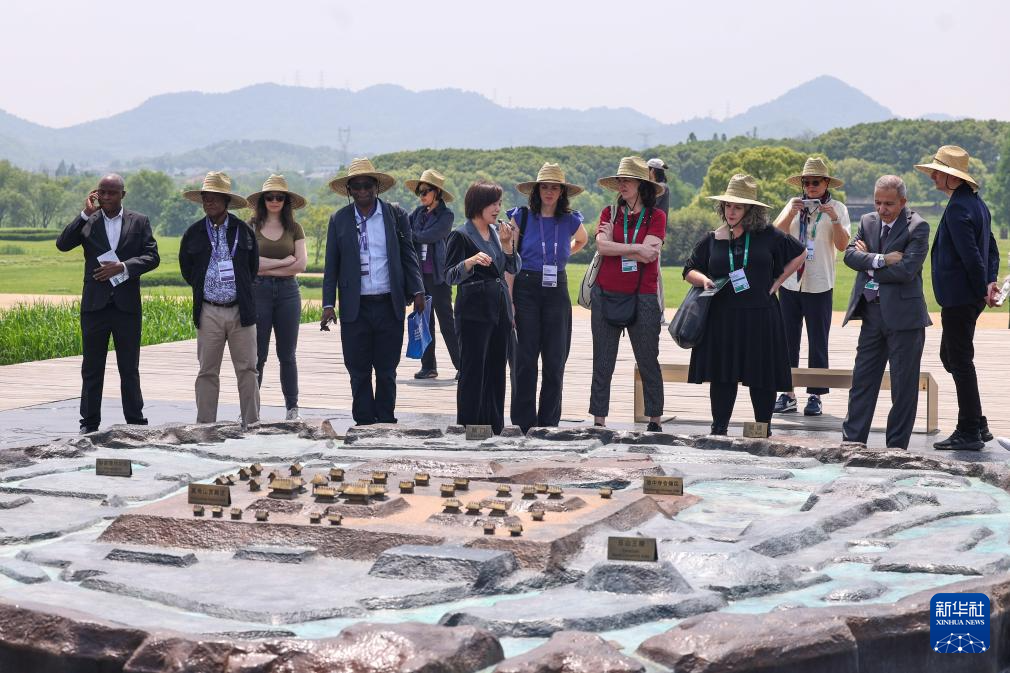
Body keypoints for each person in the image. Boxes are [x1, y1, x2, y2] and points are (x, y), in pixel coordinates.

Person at [683, 174, 805, 435]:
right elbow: (689, 270)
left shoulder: (768, 235)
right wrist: (704, 280)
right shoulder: (713, 238)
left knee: (762, 377)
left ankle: (762, 430)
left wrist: (779, 281)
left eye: (737, 207)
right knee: (722, 376)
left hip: (761, 316)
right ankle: (719, 430)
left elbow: (800, 252)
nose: (731, 211)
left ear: (750, 210)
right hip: (722, 317)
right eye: (727, 205)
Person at [320, 158, 425, 426]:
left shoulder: (395, 215)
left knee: (387, 370)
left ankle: (386, 421)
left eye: (367, 185)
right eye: (356, 186)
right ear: (349, 190)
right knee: (358, 370)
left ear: (377, 187)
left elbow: (409, 255)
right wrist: (328, 304)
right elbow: (331, 266)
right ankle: (364, 422)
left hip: (389, 303)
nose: (362, 190)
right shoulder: (339, 220)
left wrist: (417, 290)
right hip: (355, 307)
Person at [56, 174, 160, 433]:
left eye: (111, 193)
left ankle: (135, 421)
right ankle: (89, 423)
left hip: (126, 307)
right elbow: (63, 244)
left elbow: (152, 256)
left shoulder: (139, 221)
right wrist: (84, 214)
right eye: (101, 192)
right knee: (92, 367)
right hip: (95, 306)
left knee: (129, 367)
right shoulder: (88, 222)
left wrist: (122, 267)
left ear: (123, 195)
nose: (105, 197)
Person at [916, 146, 1001, 450]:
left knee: (960, 361)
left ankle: (969, 431)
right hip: (967, 296)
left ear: (953, 177)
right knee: (951, 357)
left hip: (960, 297)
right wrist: (989, 282)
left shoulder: (957, 209)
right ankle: (977, 421)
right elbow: (991, 249)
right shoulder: (976, 204)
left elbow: (972, 256)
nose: (933, 177)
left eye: (937, 172)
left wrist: (983, 287)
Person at [840, 176, 930, 449]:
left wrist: (867, 265)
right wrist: (882, 259)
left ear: (903, 202)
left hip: (905, 320)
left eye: (889, 204)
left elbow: (906, 271)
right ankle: (852, 442)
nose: (882, 209)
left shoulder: (918, 226)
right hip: (871, 315)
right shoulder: (867, 221)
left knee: (903, 388)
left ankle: (896, 448)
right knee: (862, 381)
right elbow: (849, 256)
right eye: (877, 202)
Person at [507, 163, 588, 432]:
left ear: (562, 191)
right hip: (526, 286)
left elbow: (583, 240)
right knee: (525, 359)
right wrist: (510, 300)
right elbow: (509, 258)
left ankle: (549, 422)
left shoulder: (570, 220)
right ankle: (523, 422)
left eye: (554, 187)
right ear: (537, 190)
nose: (549, 192)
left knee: (555, 359)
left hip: (556, 289)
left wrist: (562, 254)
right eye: (545, 187)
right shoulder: (521, 217)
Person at [590, 156, 666, 431]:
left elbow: (651, 254)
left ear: (641, 185)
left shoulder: (656, 216)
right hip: (605, 292)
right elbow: (602, 247)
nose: (622, 185)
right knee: (603, 360)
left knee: (647, 360)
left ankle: (654, 420)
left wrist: (615, 244)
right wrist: (634, 248)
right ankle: (599, 421)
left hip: (643, 295)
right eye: (620, 180)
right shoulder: (609, 213)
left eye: (628, 180)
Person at [179, 172, 260, 428]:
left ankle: (252, 424)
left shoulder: (243, 231)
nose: (209, 202)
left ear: (226, 201)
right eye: (206, 198)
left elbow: (252, 268)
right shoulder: (194, 233)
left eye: (214, 198)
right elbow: (187, 269)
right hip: (209, 310)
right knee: (207, 371)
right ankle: (205, 426)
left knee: (247, 369)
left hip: (240, 311)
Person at [772, 158, 851, 417]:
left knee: (818, 341)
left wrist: (834, 219)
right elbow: (775, 236)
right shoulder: (793, 204)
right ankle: (787, 392)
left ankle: (815, 395)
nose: (810, 187)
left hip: (820, 283)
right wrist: (790, 213)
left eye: (815, 182)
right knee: (787, 340)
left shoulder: (838, 208)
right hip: (791, 282)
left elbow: (842, 246)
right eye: (806, 182)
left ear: (826, 183)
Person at [445, 180, 519, 434]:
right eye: (493, 204)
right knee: (473, 371)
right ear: (478, 204)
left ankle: (494, 428)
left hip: (499, 310)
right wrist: (469, 262)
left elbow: (513, 268)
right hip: (473, 313)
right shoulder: (461, 235)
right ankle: (471, 429)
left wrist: (508, 246)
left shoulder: (499, 233)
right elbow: (449, 276)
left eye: (499, 203)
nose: (498, 209)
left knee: (497, 370)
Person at [246, 175, 308, 421]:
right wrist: (283, 262)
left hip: (288, 292)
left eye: (279, 197)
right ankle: (251, 409)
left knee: (287, 355)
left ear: (286, 201)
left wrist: (265, 267)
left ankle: (292, 407)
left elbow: (301, 264)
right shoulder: (251, 226)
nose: (274, 201)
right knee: (258, 355)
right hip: (258, 292)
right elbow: (250, 264)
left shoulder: (295, 228)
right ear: (263, 200)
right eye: (269, 197)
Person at [404, 169, 460, 380]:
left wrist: (413, 235)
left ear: (436, 192)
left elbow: (432, 235)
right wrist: (412, 235)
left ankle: (462, 365)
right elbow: (405, 231)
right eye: (419, 192)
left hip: (439, 277)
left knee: (447, 323)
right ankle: (428, 367)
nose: (421, 195)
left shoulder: (447, 215)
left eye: (425, 191)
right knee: (424, 322)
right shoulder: (417, 213)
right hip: (420, 277)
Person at [647, 158, 671, 323]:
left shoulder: (660, 188)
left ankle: (658, 311)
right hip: (654, 235)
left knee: (654, 273)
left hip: (654, 235)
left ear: (652, 171)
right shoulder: (661, 187)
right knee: (654, 272)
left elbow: (646, 204)